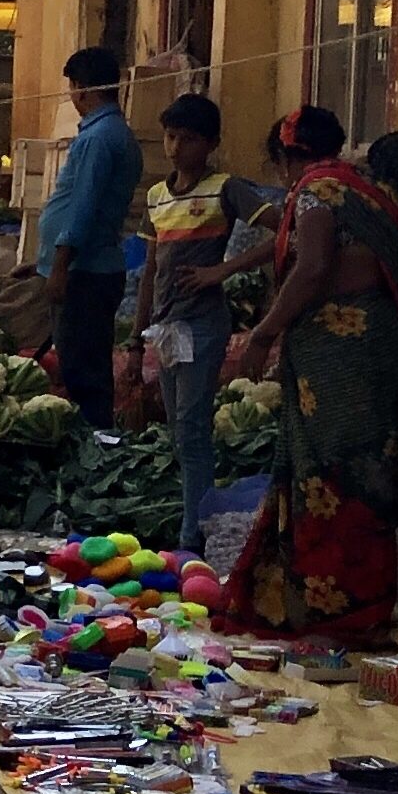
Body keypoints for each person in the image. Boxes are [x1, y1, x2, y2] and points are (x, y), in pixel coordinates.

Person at [221, 105, 398, 641]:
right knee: (369, 467)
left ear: (287, 158)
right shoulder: (363, 190)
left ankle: (334, 611)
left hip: (340, 356)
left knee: (330, 473)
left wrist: (262, 334)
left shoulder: (316, 194)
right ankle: (367, 606)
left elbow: (312, 267)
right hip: (379, 347)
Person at [136, 95, 275, 553]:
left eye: (189, 139)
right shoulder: (157, 196)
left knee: (193, 429)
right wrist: (140, 335)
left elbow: (283, 229)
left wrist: (224, 269)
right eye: (171, 137)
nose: (176, 148)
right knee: (178, 429)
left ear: (211, 143)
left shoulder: (225, 188)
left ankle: (193, 537)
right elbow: (150, 271)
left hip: (204, 323)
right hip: (168, 327)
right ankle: (200, 522)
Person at [38, 46, 141, 430]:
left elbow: (83, 209)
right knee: (83, 367)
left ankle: (96, 452)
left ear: (82, 89)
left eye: (72, 89)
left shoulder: (98, 139)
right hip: (87, 267)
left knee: (83, 375)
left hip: (85, 272)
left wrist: (60, 266)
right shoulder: (112, 134)